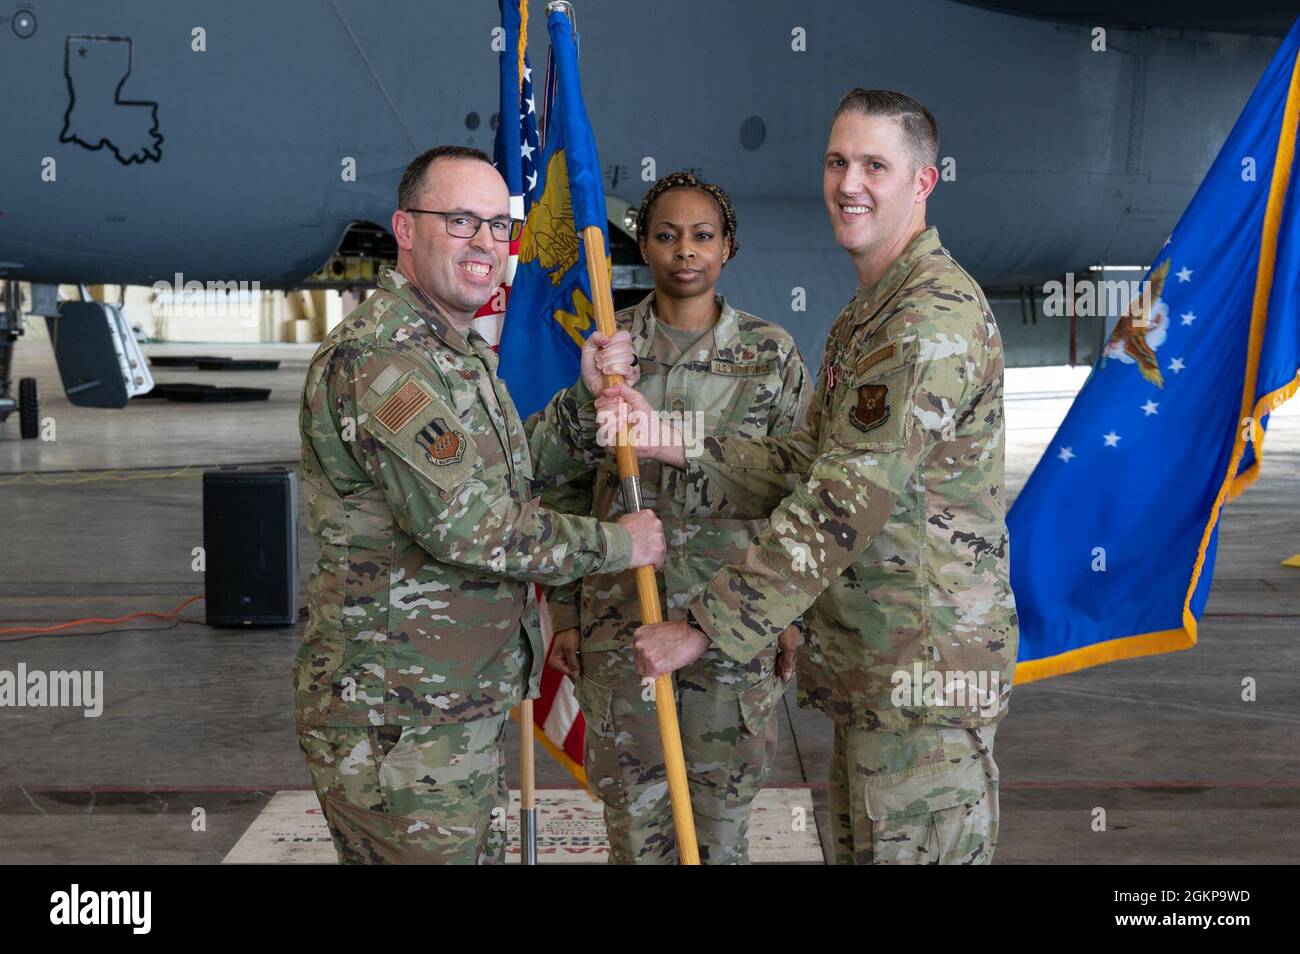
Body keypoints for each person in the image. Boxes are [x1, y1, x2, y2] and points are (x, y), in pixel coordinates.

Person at [601, 90, 1019, 864]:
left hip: (922, 681)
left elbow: (843, 498)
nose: (848, 183)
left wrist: (703, 628)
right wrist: (675, 443)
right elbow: (805, 461)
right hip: (880, 676)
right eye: (837, 162)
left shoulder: (927, 320)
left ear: (922, 183)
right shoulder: (870, 314)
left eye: (874, 166)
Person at [292, 144, 665, 864]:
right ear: (405, 229)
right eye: (461, 221)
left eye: (500, 227)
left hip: (444, 706)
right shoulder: (385, 359)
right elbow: (471, 526)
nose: (486, 245)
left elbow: (502, 479)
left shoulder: (450, 350)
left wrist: (585, 409)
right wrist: (621, 545)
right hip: (399, 718)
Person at [540, 172, 811, 864]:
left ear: (728, 248)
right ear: (644, 246)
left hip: (732, 627)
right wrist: (566, 616)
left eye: (701, 236)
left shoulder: (770, 354)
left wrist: (789, 615)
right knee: (636, 825)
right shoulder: (609, 353)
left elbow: (801, 486)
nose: (683, 251)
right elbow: (564, 484)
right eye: (665, 236)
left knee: (720, 826)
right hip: (621, 622)